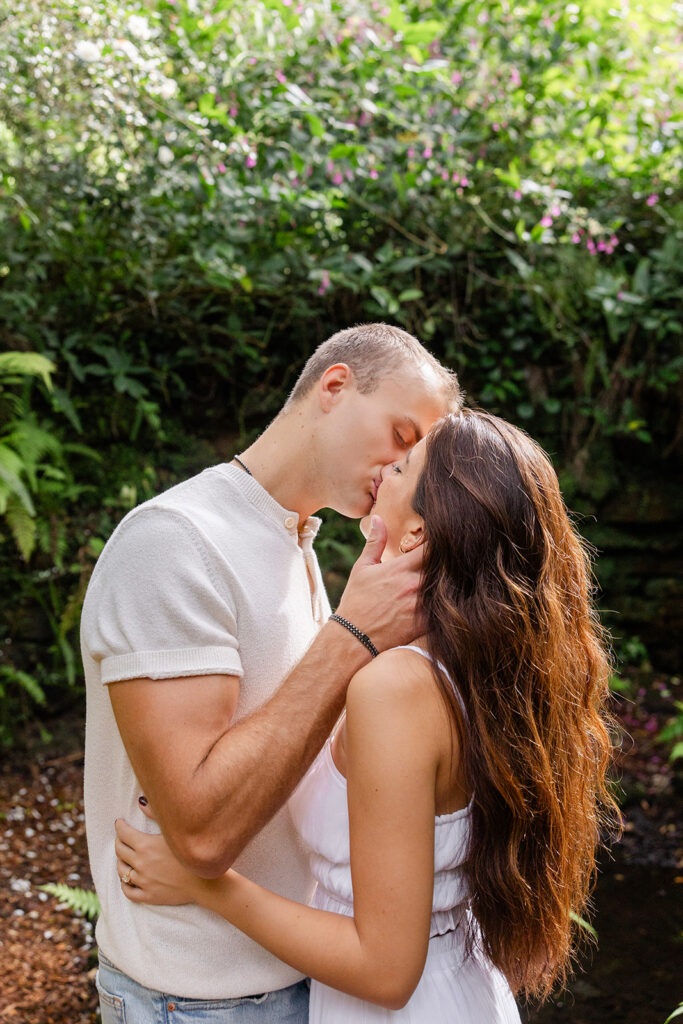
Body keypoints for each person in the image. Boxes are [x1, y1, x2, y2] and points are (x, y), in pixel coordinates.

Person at [115, 409, 621, 1022]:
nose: (384, 468)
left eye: (404, 466)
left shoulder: (396, 688)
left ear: (418, 538)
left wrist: (206, 885)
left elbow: (384, 971)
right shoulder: (479, 669)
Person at [81, 323, 460, 1021]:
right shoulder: (175, 542)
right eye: (403, 436)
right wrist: (351, 638)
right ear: (336, 386)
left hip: (302, 977)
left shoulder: (295, 545)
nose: (402, 469)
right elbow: (200, 833)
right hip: (197, 999)